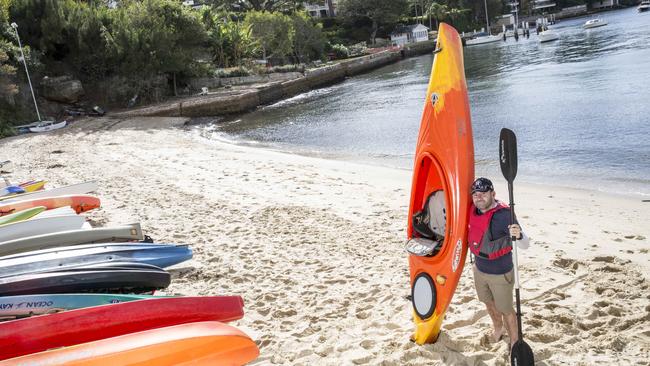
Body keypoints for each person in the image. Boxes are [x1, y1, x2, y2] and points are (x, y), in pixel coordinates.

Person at [468, 177, 530, 349]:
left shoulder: (504, 215)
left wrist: (519, 235)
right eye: (475, 194)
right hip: (479, 269)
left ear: (493, 194)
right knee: (488, 302)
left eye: (484, 193)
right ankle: (498, 328)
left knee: (506, 310)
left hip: (500, 274)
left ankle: (515, 342)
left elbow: (525, 244)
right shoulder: (472, 211)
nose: (479, 197)